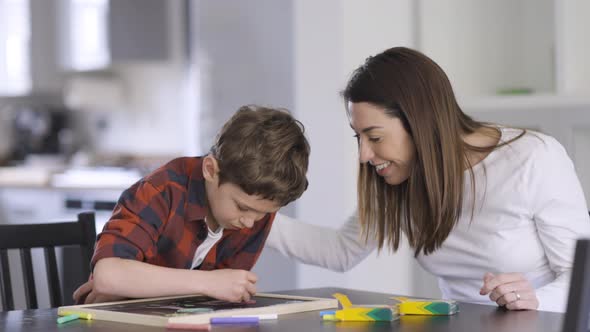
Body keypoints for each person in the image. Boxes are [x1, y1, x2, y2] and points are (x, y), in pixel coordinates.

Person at [267, 47, 590, 313]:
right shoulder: (400, 177)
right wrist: (243, 209)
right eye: (358, 138)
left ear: (420, 123)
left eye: (375, 137)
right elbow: (340, 251)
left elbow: (583, 277)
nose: (364, 155)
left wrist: (534, 301)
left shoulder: (533, 157)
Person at [73, 105, 310, 304]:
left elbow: (217, 299)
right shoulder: (162, 191)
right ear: (210, 170)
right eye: (242, 207)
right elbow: (109, 276)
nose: (250, 222)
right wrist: (209, 283)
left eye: (263, 214)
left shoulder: (256, 207)